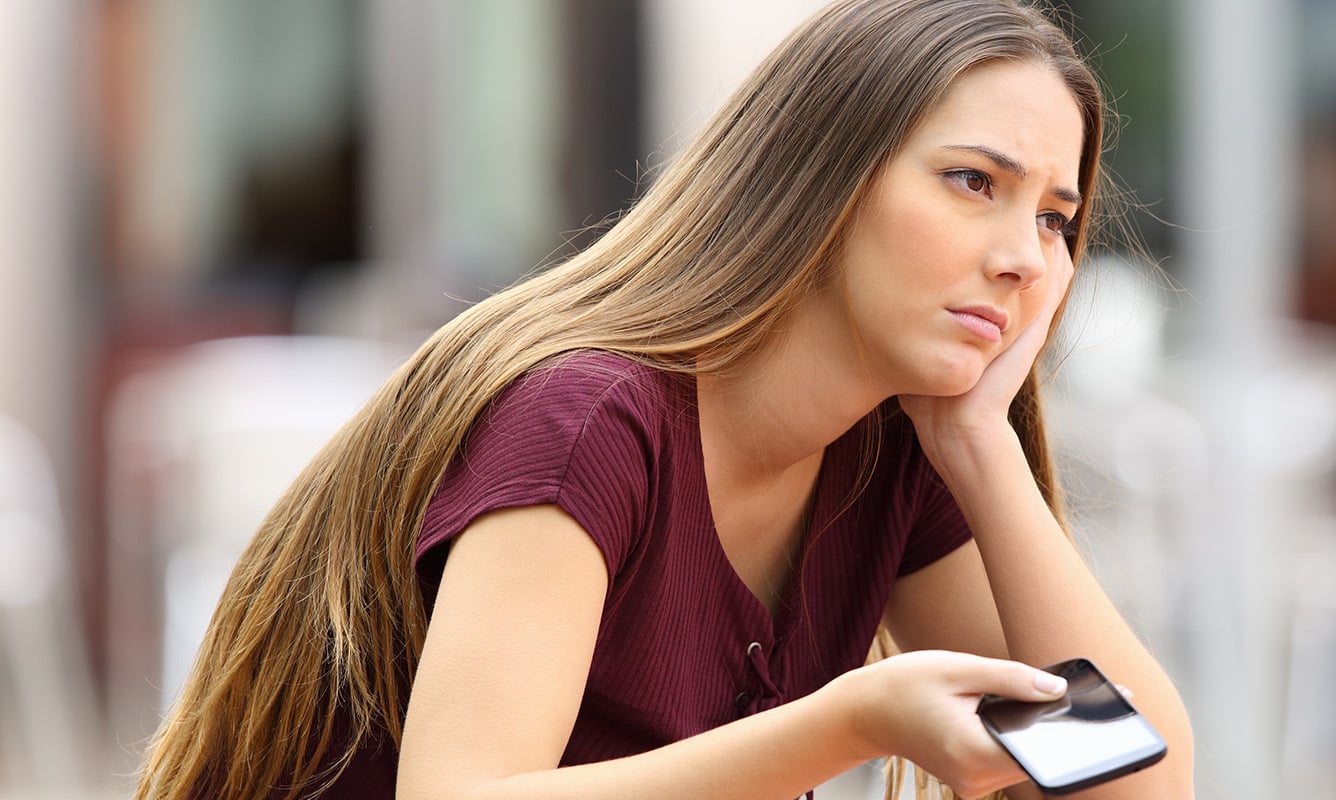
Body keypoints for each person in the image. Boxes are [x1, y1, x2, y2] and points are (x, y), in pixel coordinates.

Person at [132, 1, 1194, 798]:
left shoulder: (894, 455)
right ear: (822, 176)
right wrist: (848, 720)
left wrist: (979, 445)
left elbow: (1138, 781)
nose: (1025, 256)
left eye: (1058, 218)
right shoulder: (590, 421)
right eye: (975, 182)